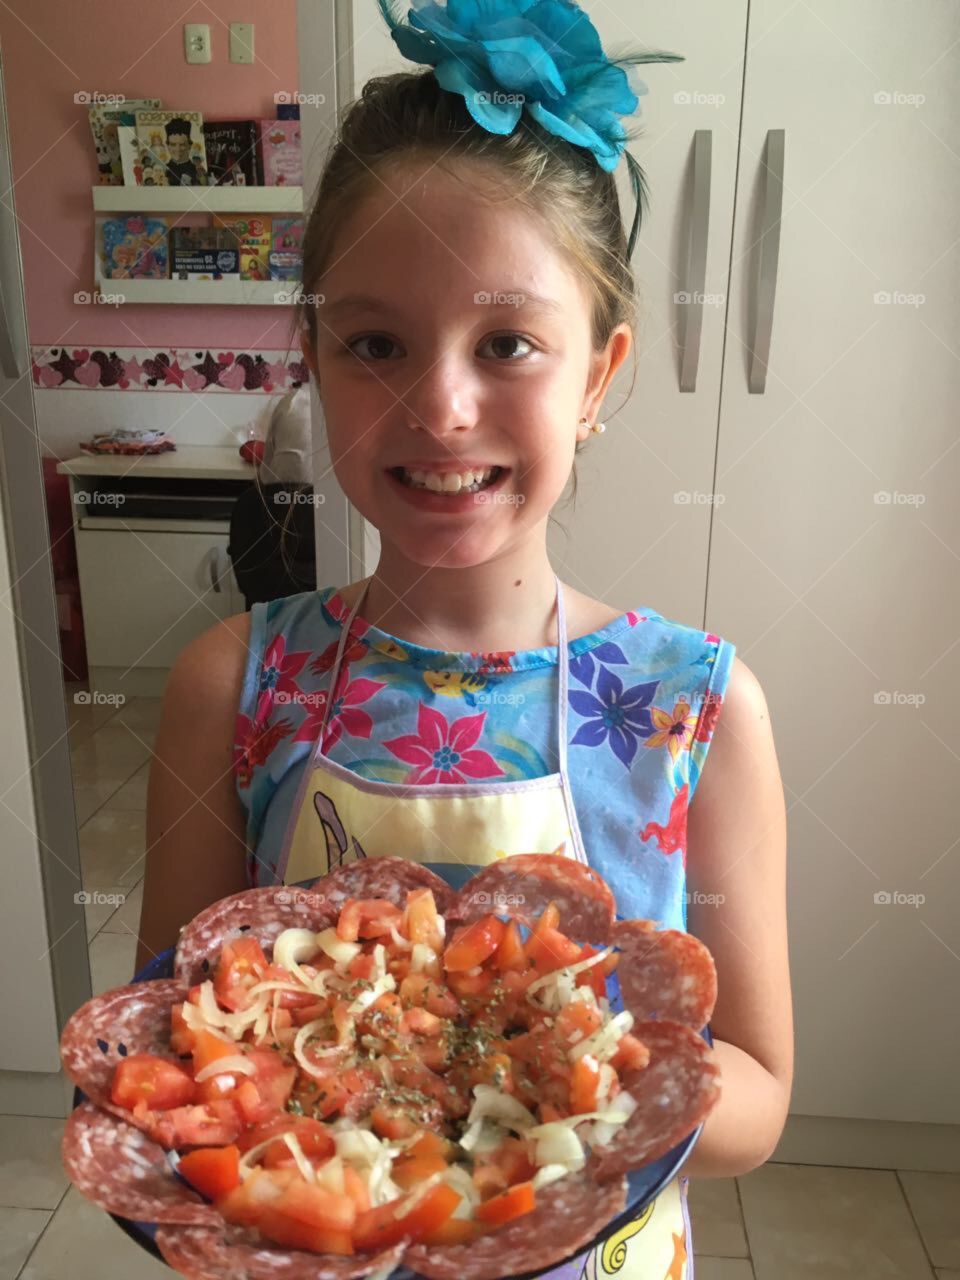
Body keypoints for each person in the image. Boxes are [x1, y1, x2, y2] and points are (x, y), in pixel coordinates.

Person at [138, 2, 793, 1274]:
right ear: (316, 360)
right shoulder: (233, 681)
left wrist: (564, 1065)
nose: (441, 405)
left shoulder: (689, 706)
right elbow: (171, 1042)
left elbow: (760, 1097)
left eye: (507, 344)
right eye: (376, 342)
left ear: (596, 377)